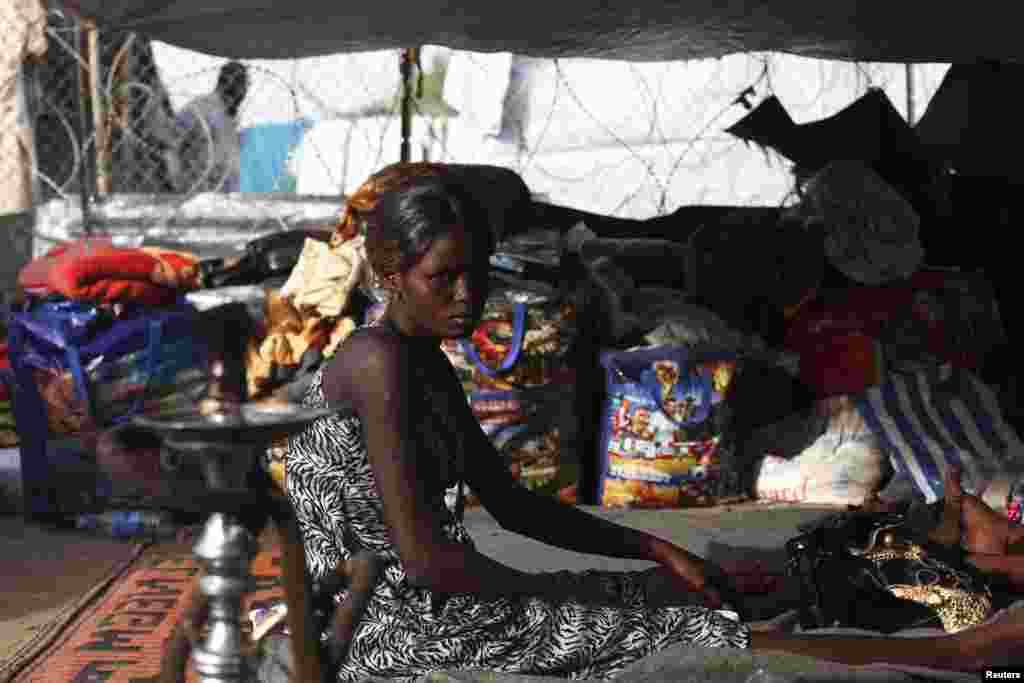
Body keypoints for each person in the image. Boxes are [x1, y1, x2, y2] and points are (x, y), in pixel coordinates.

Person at [285, 170, 1024, 681]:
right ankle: (962, 654)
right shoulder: (379, 363)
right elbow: (424, 563)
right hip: (383, 630)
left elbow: (512, 504)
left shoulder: (422, 360)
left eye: (477, 271)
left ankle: (945, 593)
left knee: (696, 589)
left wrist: (653, 548)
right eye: (442, 277)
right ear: (387, 272)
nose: (469, 293)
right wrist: (581, 596)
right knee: (695, 636)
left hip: (429, 599)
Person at [172, 61, 249, 193]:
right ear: (229, 83)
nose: (245, 92)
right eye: (243, 85)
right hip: (200, 194)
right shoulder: (200, 108)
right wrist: (178, 182)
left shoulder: (231, 117)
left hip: (227, 197)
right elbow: (171, 143)